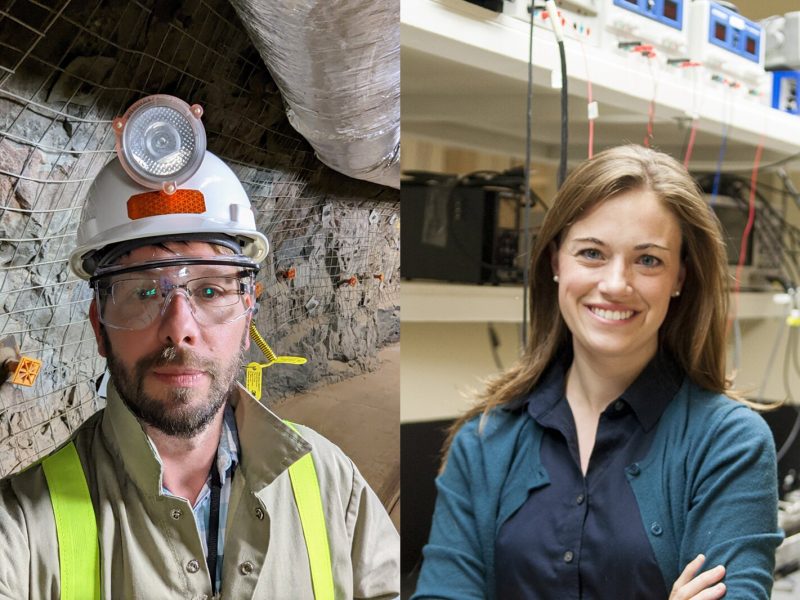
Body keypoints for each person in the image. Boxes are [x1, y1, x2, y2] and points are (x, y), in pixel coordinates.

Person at [0, 95, 399, 599]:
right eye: (143, 291)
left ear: (248, 312)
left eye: (210, 290)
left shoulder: (328, 480)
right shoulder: (23, 527)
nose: (179, 328)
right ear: (99, 327)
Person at [411, 144, 782, 600]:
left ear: (680, 277)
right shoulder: (485, 442)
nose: (615, 284)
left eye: (648, 260)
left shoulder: (728, 443)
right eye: (591, 253)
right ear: (555, 261)